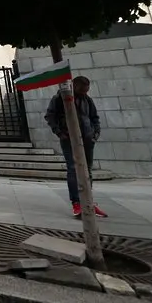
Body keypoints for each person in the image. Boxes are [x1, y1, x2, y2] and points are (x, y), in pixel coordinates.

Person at [45, 76, 106, 219]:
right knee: (73, 169)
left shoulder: (87, 100)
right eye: (82, 90)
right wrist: (59, 132)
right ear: (74, 86)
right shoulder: (59, 98)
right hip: (69, 138)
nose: (84, 92)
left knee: (88, 169)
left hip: (87, 138)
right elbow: (49, 115)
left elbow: (94, 117)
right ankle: (76, 202)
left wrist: (95, 134)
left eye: (87, 90)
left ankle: (88, 201)